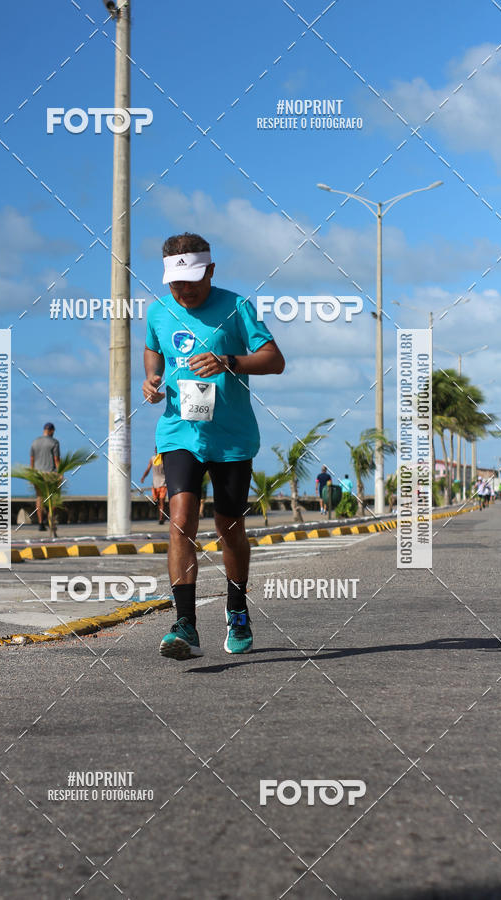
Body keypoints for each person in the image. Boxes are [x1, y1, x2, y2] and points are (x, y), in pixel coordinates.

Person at [143, 232, 284, 659]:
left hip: (232, 437)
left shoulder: (237, 306)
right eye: (175, 283)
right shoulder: (157, 311)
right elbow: (153, 353)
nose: (183, 291)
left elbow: (275, 360)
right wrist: (151, 381)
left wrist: (231, 362)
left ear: (211, 271)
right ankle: (185, 623)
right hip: (180, 431)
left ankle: (237, 608)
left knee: (229, 526)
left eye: (191, 281)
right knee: (182, 517)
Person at [30, 423, 60, 531]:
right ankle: (50, 520)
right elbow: (56, 460)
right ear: (51, 431)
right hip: (50, 474)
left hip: (38, 475)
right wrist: (60, 474)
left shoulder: (35, 442)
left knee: (39, 498)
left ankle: (40, 523)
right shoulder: (54, 442)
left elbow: (32, 459)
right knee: (54, 498)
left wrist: (32, 473)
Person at [141, 448, 167, 525]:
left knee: (162, 501)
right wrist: (143, 477)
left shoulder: (164, 459)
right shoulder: (153, 459)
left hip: (163, 483)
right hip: (155, 484)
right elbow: (148, 469)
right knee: (157, 501)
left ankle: (161, 518)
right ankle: (161, 516)